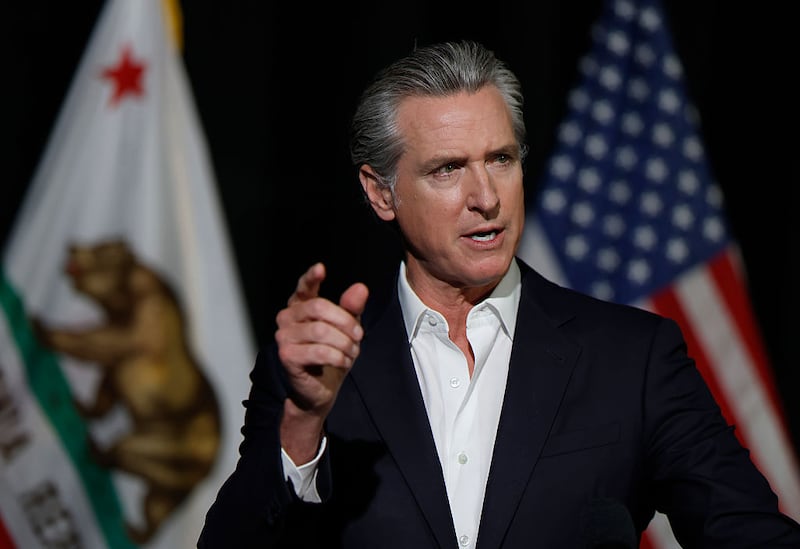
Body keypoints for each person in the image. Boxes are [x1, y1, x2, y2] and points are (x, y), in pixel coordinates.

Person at [197, 40, 800, 548]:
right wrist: (303, 424)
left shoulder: (632, 357)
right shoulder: (316, 371)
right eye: (448, 169)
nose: (486, 197)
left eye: (501, 159)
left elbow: (750, 533)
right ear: (381, 193)